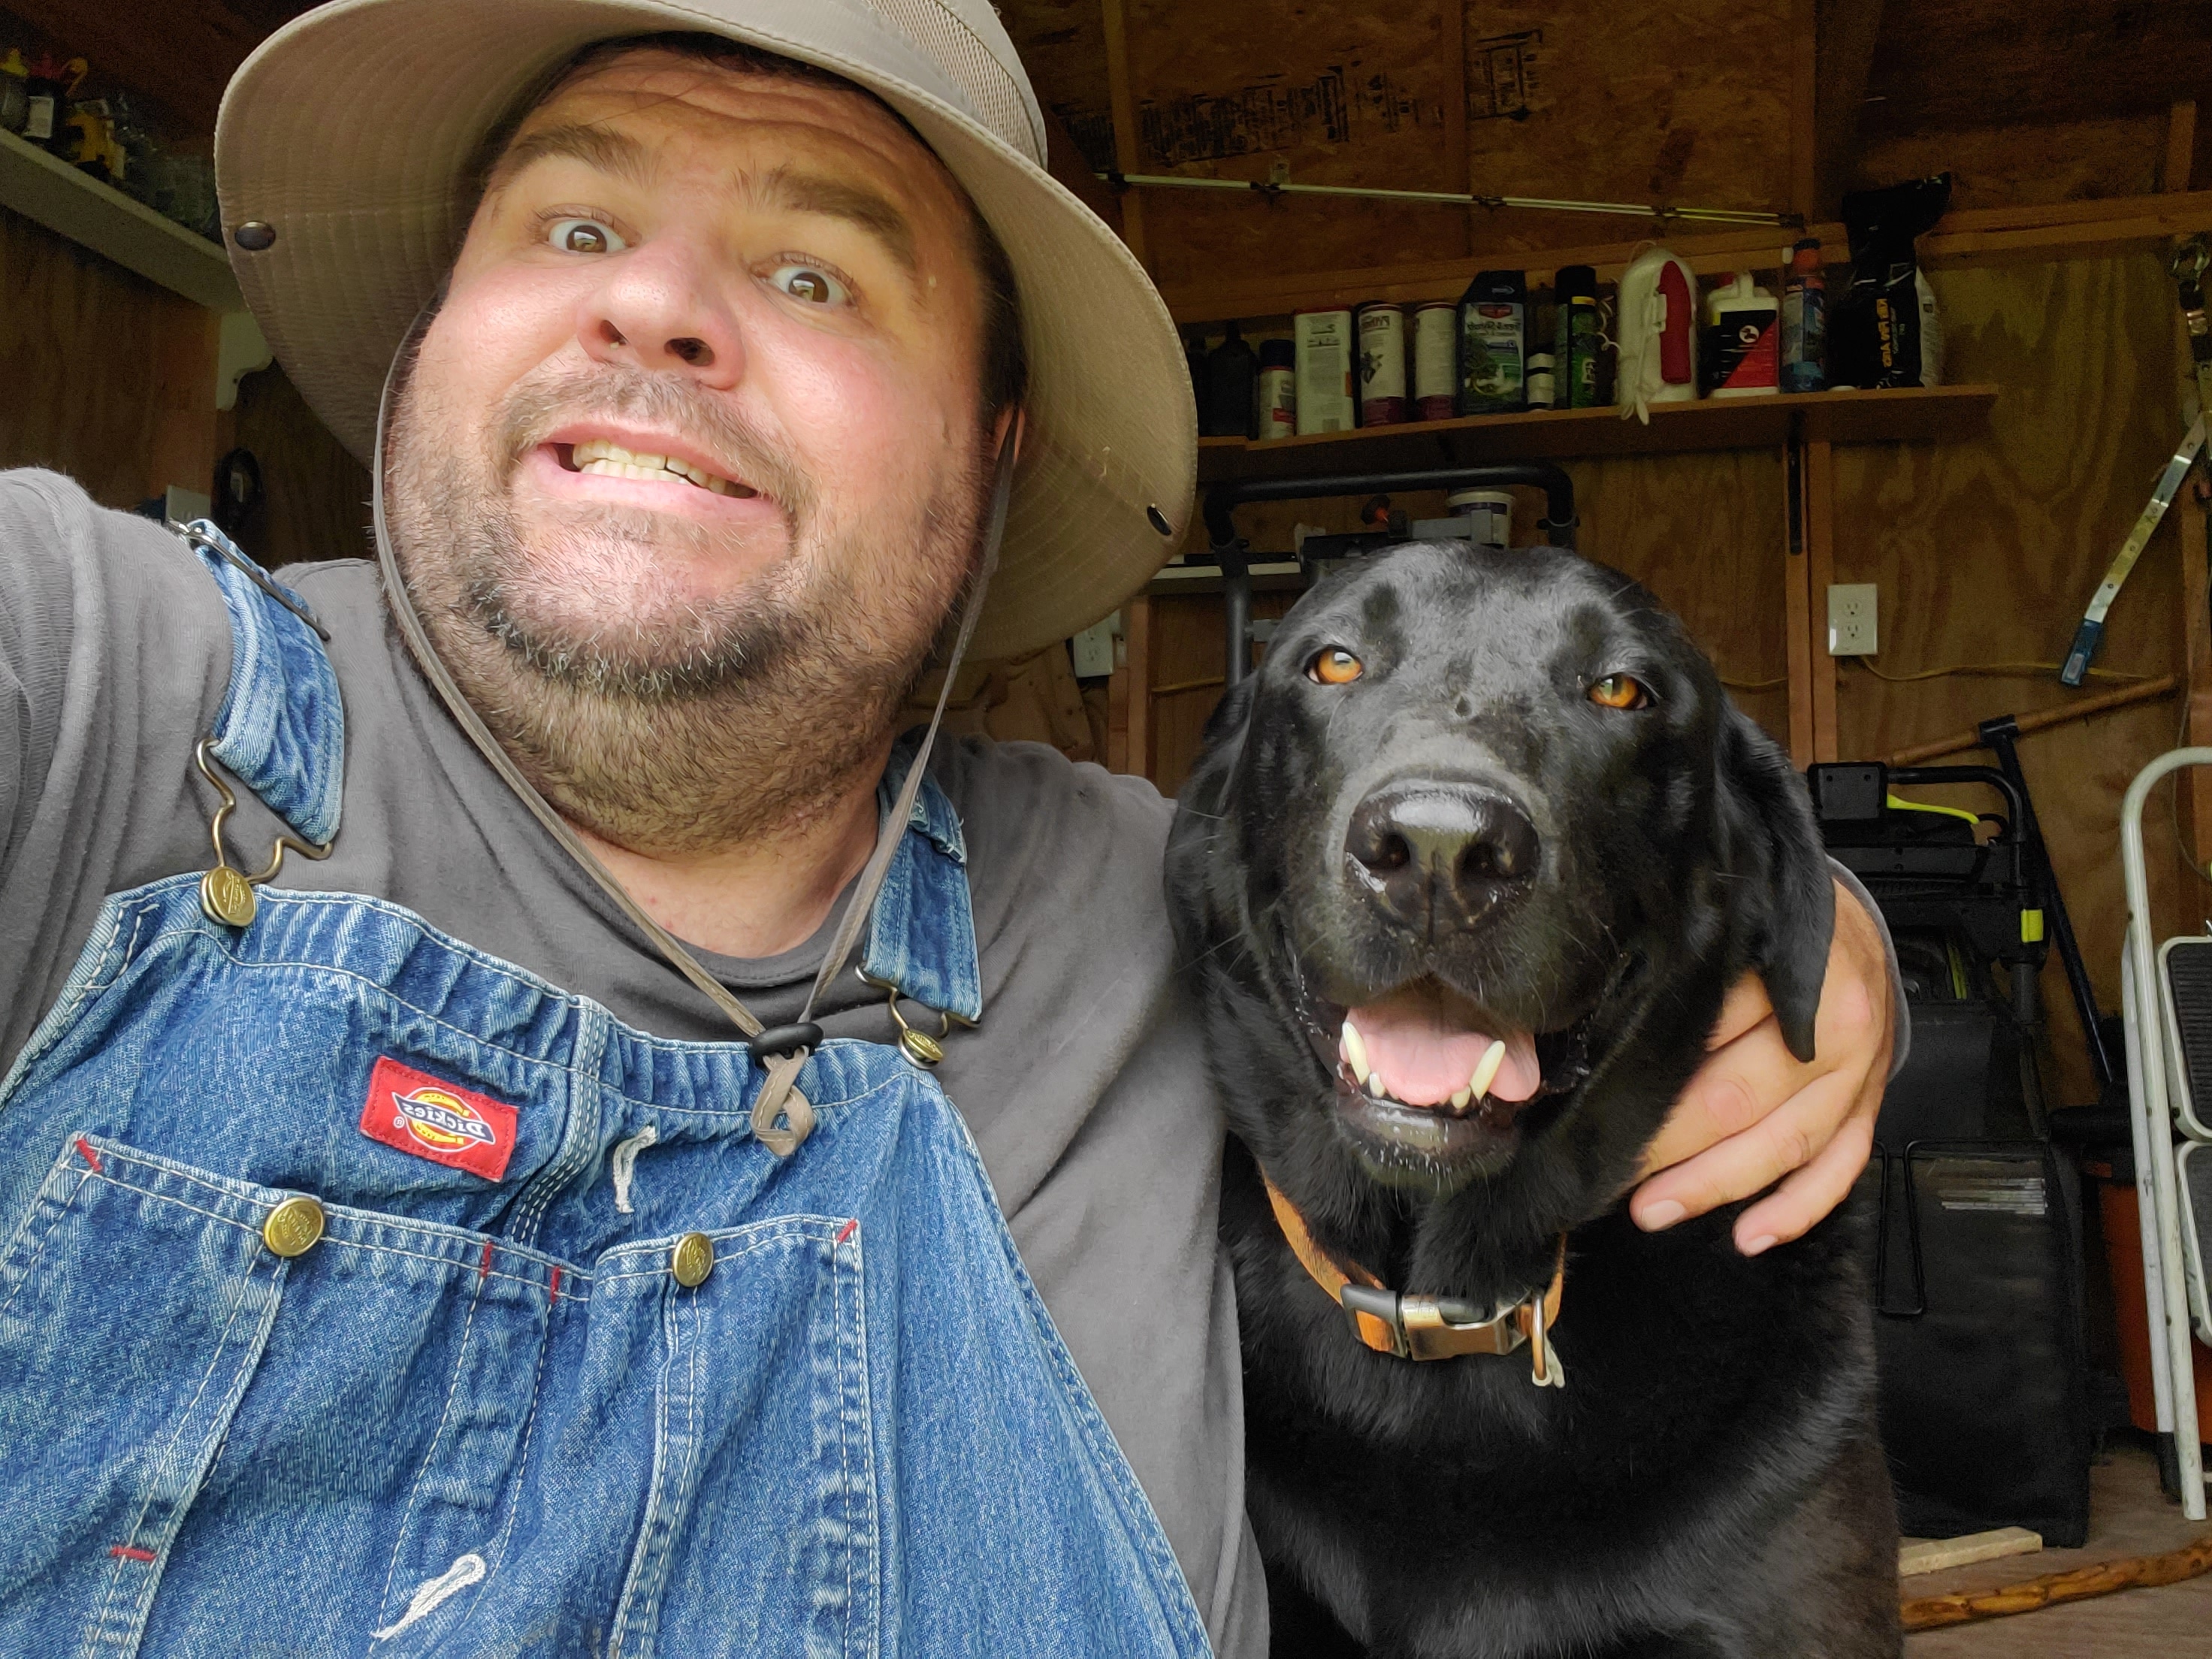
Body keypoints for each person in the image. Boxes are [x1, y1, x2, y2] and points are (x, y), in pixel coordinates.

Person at [0, 2, 1898, 1651]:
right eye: (575, 222)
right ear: (435, 330)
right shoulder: (94, 692)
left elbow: (1500, 865)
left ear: (992, 440)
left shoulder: (1118, 899)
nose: (653, 305)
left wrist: (1800, 935)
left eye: (813, 271)